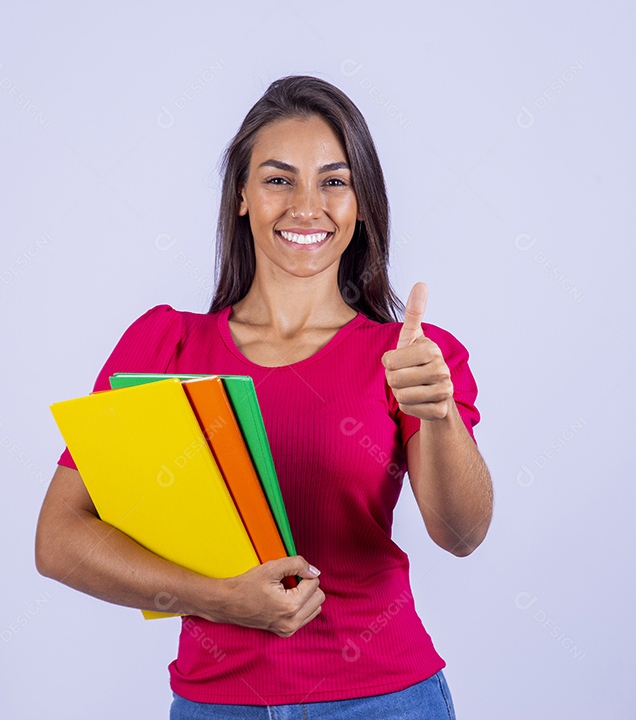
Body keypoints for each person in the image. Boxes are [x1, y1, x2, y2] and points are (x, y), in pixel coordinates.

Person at [35, 75, 493, 719]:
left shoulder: (411, 356)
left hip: (385, 700)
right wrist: (218, 598)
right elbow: (59, 539)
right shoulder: (164, 345)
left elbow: (461, 533)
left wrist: (437, 414)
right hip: (217, 705)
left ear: (362, 203)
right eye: (279, 179)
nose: (307, 206)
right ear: (243, 197)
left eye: (334, 181)